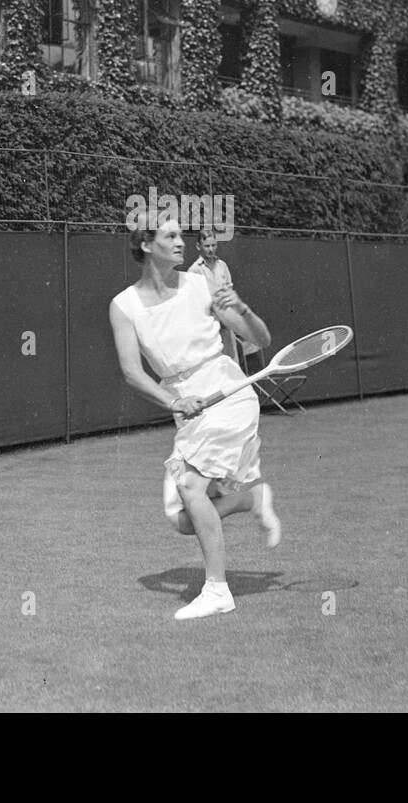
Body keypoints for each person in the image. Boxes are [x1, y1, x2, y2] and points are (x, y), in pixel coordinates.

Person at [109, 219, 281, 621]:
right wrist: (174, 401)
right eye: (169, 236)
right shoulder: (124, 306)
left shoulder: (202, 284)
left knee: (189, 484)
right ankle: (252, 499)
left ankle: (217, 590)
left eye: (180, 235)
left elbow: (260, 340)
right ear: (146, 244)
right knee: (182, 519)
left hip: (228, 392)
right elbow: (133, 372)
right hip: (187, 403)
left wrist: (243, 308)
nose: (180, 242)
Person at [188, 227, 240, 359]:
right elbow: (194, 304)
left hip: (226, 325)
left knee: (231, 362)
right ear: (198, 246)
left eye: (213, 245)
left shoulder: (222, 265)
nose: (211, 249)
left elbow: (229, 291)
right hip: (207, 328)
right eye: (206, 246)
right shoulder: (194, 270)